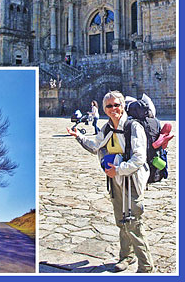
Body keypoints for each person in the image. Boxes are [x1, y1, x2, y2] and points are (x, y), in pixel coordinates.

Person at [67, 91, 155, 273]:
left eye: (117, 105)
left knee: (134, 223)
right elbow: (95, 146)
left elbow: (139, 158)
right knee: (121, 220)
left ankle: (146, 267)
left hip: (132, 180)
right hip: (115, 180)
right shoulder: (106, 128)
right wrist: (78, 137)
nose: (113, 109)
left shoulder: (133, 127)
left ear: (123, 106)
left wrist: (119, 169)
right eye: (109, 106)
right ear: (104, 109)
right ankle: (126, 256)